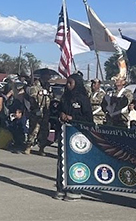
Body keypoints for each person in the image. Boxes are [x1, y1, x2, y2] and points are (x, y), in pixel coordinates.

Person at [55, 72, 93, 201]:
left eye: (70, 83)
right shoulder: (65, 97)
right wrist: (61, 114)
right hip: (64, 132)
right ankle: (61, 188)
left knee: (75, 162)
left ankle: (75, 190)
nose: (68, 85)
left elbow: (89, 118)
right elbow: (57, 111)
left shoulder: (83, 98)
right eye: (67, 83)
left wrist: (73, 118)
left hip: (78, 134)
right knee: (61, 161)